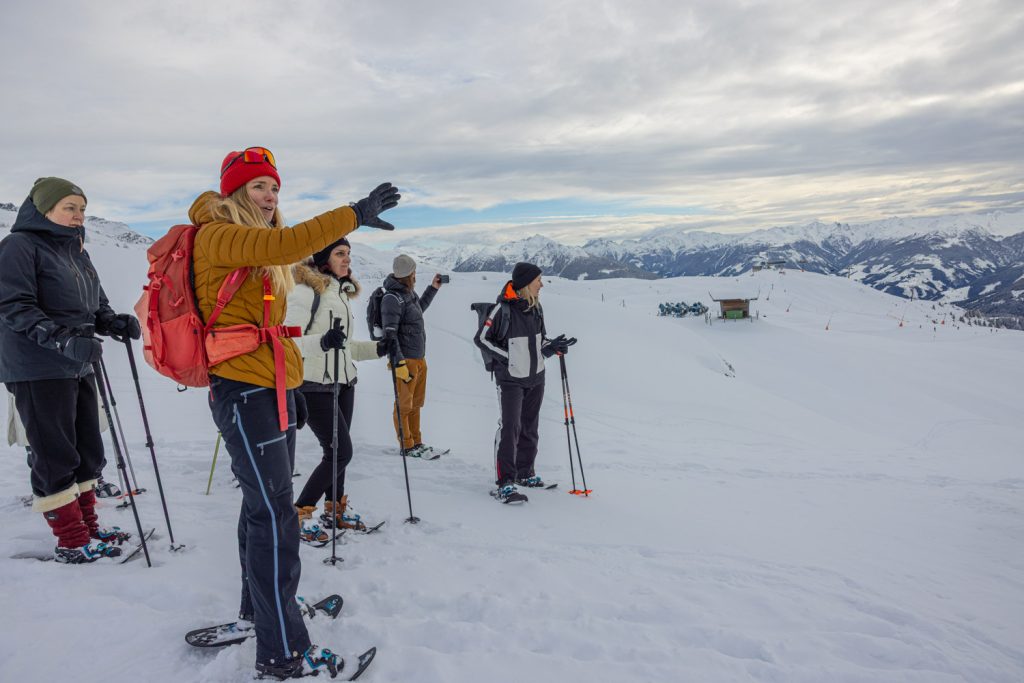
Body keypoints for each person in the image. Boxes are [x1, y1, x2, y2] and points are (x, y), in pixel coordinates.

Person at [192, 146, 399, 679]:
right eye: (259, 187)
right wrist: (353, 213)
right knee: (275, 516)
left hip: (271, 385)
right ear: (235, 191)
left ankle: (260, 615)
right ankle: (282, 650)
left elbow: (273, 319)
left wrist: (292, 383)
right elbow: (291, 244)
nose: (269, 197)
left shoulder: (254, 251)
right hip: (243, 390)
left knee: (262, 509)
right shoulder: (217, 233)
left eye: (275, 188)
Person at [0, 177, 140, 562]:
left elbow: (95, 300)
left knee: (87, 448)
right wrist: (60, 338)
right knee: (54, 453)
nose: (78, 216)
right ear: (45, 209)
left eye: (82, 209)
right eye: (69, 208)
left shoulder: (75, 249)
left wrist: (111, 321)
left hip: (77, 361)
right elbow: (14, 306)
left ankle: (89, 527)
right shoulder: (18, 246)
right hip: (37, 364)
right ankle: (72, 540)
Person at [285, 237, 387, 541]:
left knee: (335, 453)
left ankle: (335, 508)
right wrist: (322, 342)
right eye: (340, 254)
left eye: (349, 254)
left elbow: (346, 348)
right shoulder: (305, 293)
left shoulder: (340, 293)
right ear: (323, 259)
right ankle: (301, 511)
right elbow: (287, 343)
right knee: (341, 452)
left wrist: (379, 349)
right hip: (314, 387)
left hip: (344, 385)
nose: (347, 259)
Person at [474, 262, 575, 502]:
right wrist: (510, 359)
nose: (541, 284)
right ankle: (505, 482)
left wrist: (552, 348)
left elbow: (537, 343)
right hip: (510, 380)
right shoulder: (502, 309)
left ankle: (525, 472)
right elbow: (481, 339)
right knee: (510, 428)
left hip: (535, 377)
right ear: (526, 284)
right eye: (538, 280)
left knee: (530, 427)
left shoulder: (536, 308)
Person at [380, 254, 444, 457]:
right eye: (414, 272)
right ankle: (406, 445)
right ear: (407, 274)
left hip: (418, 358)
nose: (416, 275)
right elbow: (390, 334)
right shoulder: (392, 298)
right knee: (404, 405)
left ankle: (417, 442)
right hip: (405, 359)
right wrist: (398, 363)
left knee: (416, 403)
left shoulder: (409, 294)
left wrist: (433, 288)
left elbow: (419, 310)